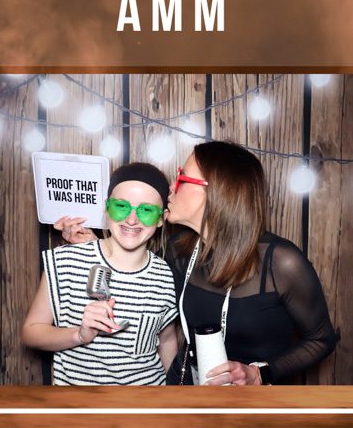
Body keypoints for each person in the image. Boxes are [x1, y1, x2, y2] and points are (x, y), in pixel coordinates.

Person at [58, 142, 338, 385]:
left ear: (217, 193)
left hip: (250, 407)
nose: (171, 186)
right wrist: (94, 245)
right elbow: (136, 269)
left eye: (182, 177)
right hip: (184, 392)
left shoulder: (282, 263)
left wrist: (259, 374)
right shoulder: (179, 249)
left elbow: (321, 340)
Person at [22, 163, 179, 385]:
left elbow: (167, 340)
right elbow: (31, 332)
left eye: (146, 210)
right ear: (106, 208)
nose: (131, 220)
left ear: (161, 218)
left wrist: (175, 394)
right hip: (79, 402)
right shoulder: (65, 261)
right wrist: (79, 335)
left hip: (146, 400)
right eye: (121, 207)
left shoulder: (165, 275)